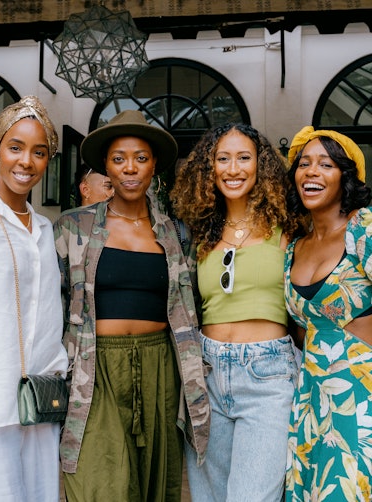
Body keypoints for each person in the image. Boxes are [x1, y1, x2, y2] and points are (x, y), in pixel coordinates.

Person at [53, 109, 210, 502]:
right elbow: (49, 302)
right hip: (94, 368)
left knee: (155, 483)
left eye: (141, 158)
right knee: (100, 481)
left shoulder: (176, 234)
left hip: (160, 366)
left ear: (154, 165)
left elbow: (193, 307)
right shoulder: (73, 227)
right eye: (119, 159)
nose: (130, 169)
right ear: (105, 165)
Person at [171, 122, 300, 502]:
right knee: (209, 496)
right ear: (208, 169)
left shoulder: (287, 228)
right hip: (206, 375)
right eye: (222, 159)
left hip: (268, 375)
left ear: (261, 165)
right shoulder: (198, 233)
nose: (233, 168)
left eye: (244, 158)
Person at [0, 96, 68, 501]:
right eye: (15, 147)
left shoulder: (46, 229)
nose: (26, 161)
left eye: (39, 152)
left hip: (41, 402)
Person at [284, 126, 372, 501]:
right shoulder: (293, 247)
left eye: (326, 164)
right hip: (311, 396)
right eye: (304, 164)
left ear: (345, 177)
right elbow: (301, 328)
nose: (312, 172)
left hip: (360, 388)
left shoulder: (363, 227)